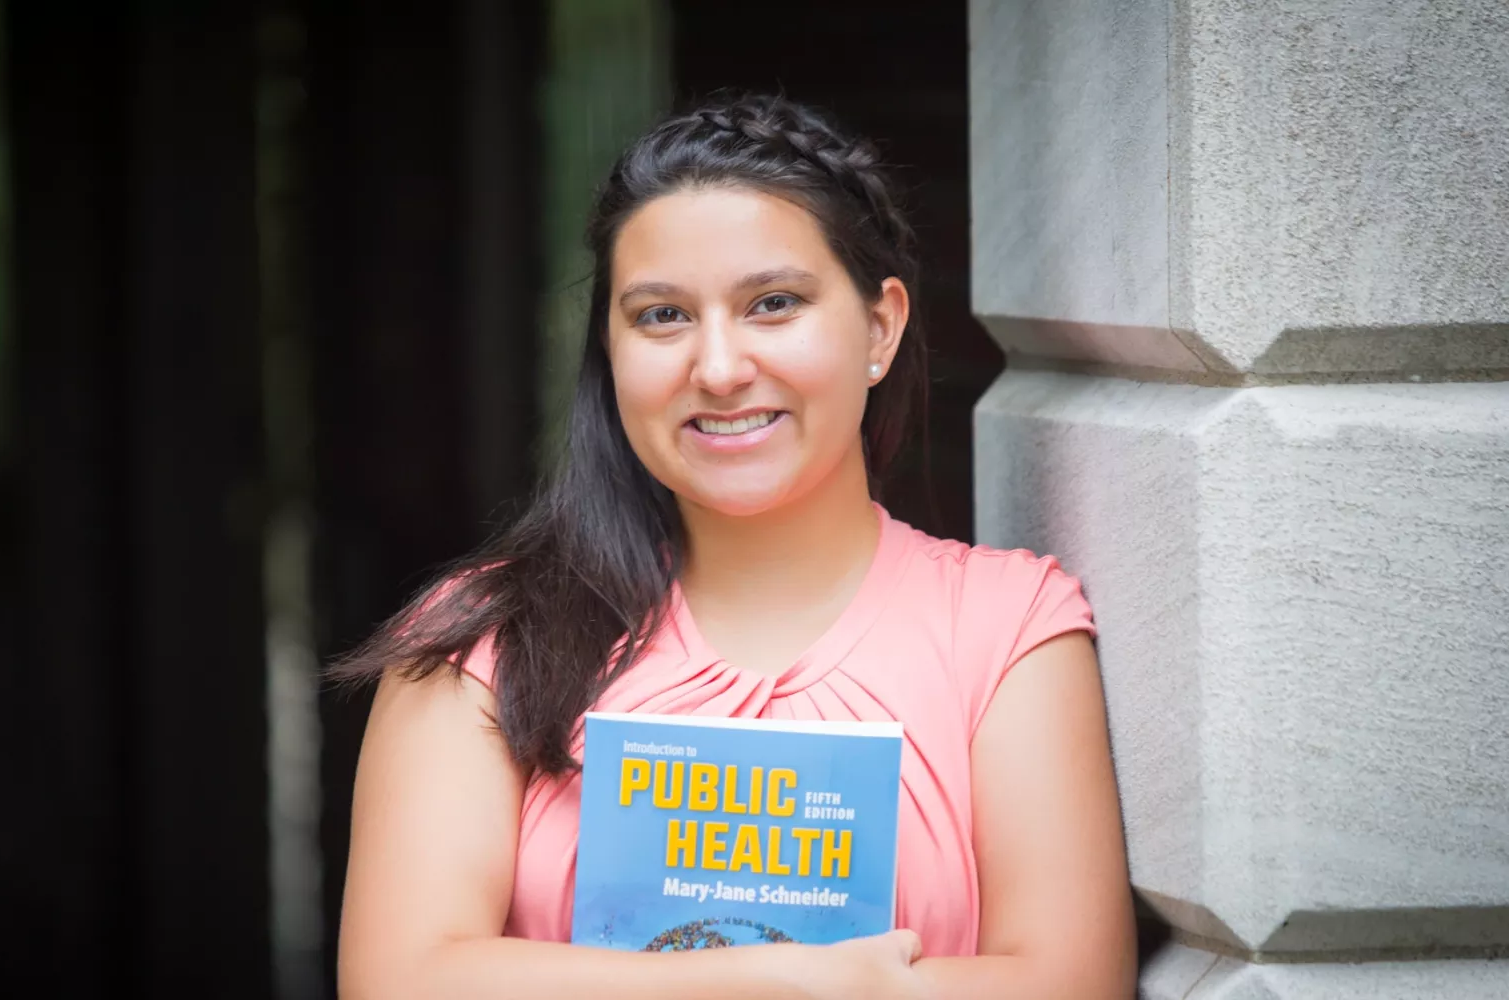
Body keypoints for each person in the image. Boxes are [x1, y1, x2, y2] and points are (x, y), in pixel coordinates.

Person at [335, 93, 1136, 999]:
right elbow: (401, 980)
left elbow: (1072, 985)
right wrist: (795, 982)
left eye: (774, 304)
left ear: (880, 327)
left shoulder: (1008, 631)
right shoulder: (483, 641)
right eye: (662, 316)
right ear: (610, 346)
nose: (717, 369)